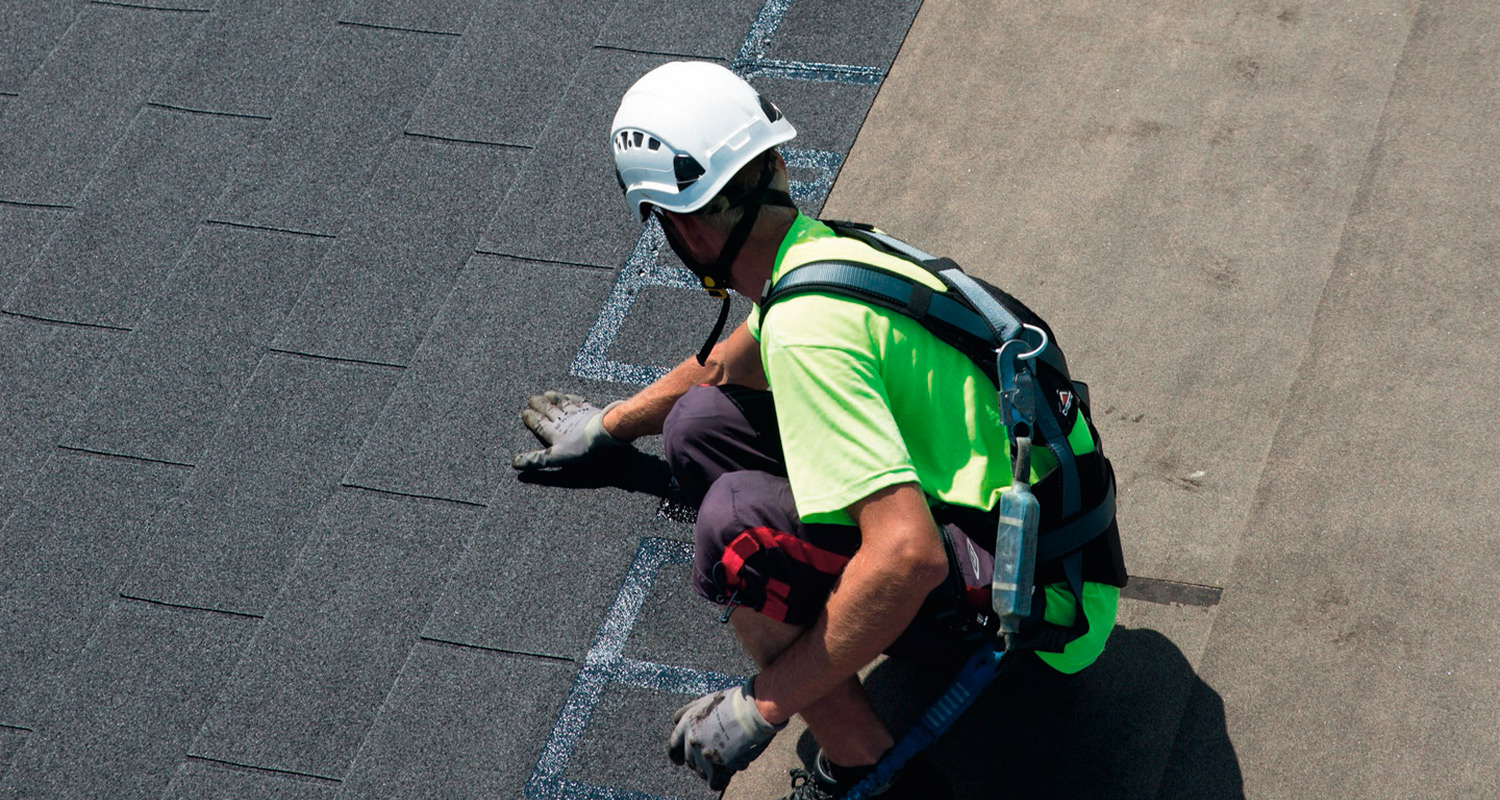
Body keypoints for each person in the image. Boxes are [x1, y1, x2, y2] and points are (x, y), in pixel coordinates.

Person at [513, 61, 1127, 799]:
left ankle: (874, 774)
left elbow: (908, 557)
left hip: (1033, 618)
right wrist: (611, 428)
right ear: (773, 163)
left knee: (735, 531)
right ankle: (837, 612)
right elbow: (722, 372)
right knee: (700, 428)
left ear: (678, 227)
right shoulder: (824, 252)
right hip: (1048, 547)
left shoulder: (807, 332)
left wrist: (760, 705)